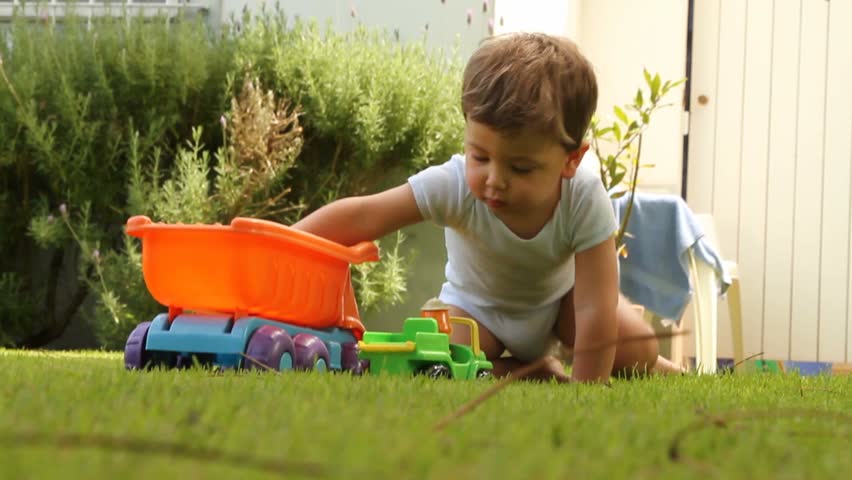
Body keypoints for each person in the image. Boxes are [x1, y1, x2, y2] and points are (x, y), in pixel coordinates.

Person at [293, 32, 682, 383]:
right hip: (474, 311)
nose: (494, 178)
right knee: (437, 360)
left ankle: (656, 365)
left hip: (561, 308)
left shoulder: (583, 196)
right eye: (480, 156)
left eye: (520, 167)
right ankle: (531, 370)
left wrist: (587, 390)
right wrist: (283, 242)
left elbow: (596, 304)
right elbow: (364, 215)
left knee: (639, 347)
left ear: (571, 160)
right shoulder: (454, 184)